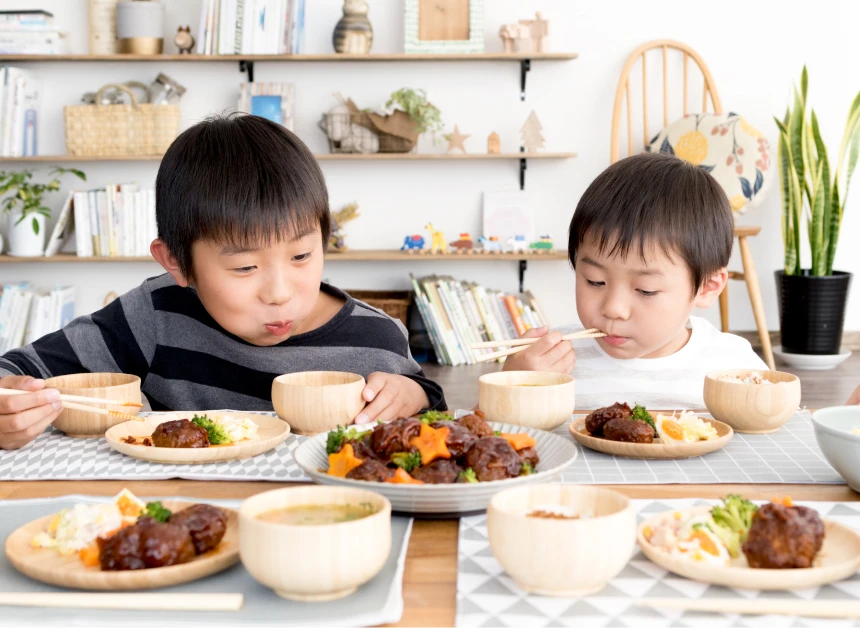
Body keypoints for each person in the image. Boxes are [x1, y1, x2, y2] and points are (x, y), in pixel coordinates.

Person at [0, 114, 445, 449]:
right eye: (245, 268)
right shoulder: (155, 315)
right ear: (177, 262)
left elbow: (430, 415)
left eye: (302, 256)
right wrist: (12, 405)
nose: (280, 292)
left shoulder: (375, 340)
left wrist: (413, 397)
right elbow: (16, 373)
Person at [503, 152, 766, 409]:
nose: (613, 309)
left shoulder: (733, 365)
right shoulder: (554, 362)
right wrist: (511, 385)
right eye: (595, 281)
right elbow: (485, 436)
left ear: (706, 288)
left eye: (646, 290)